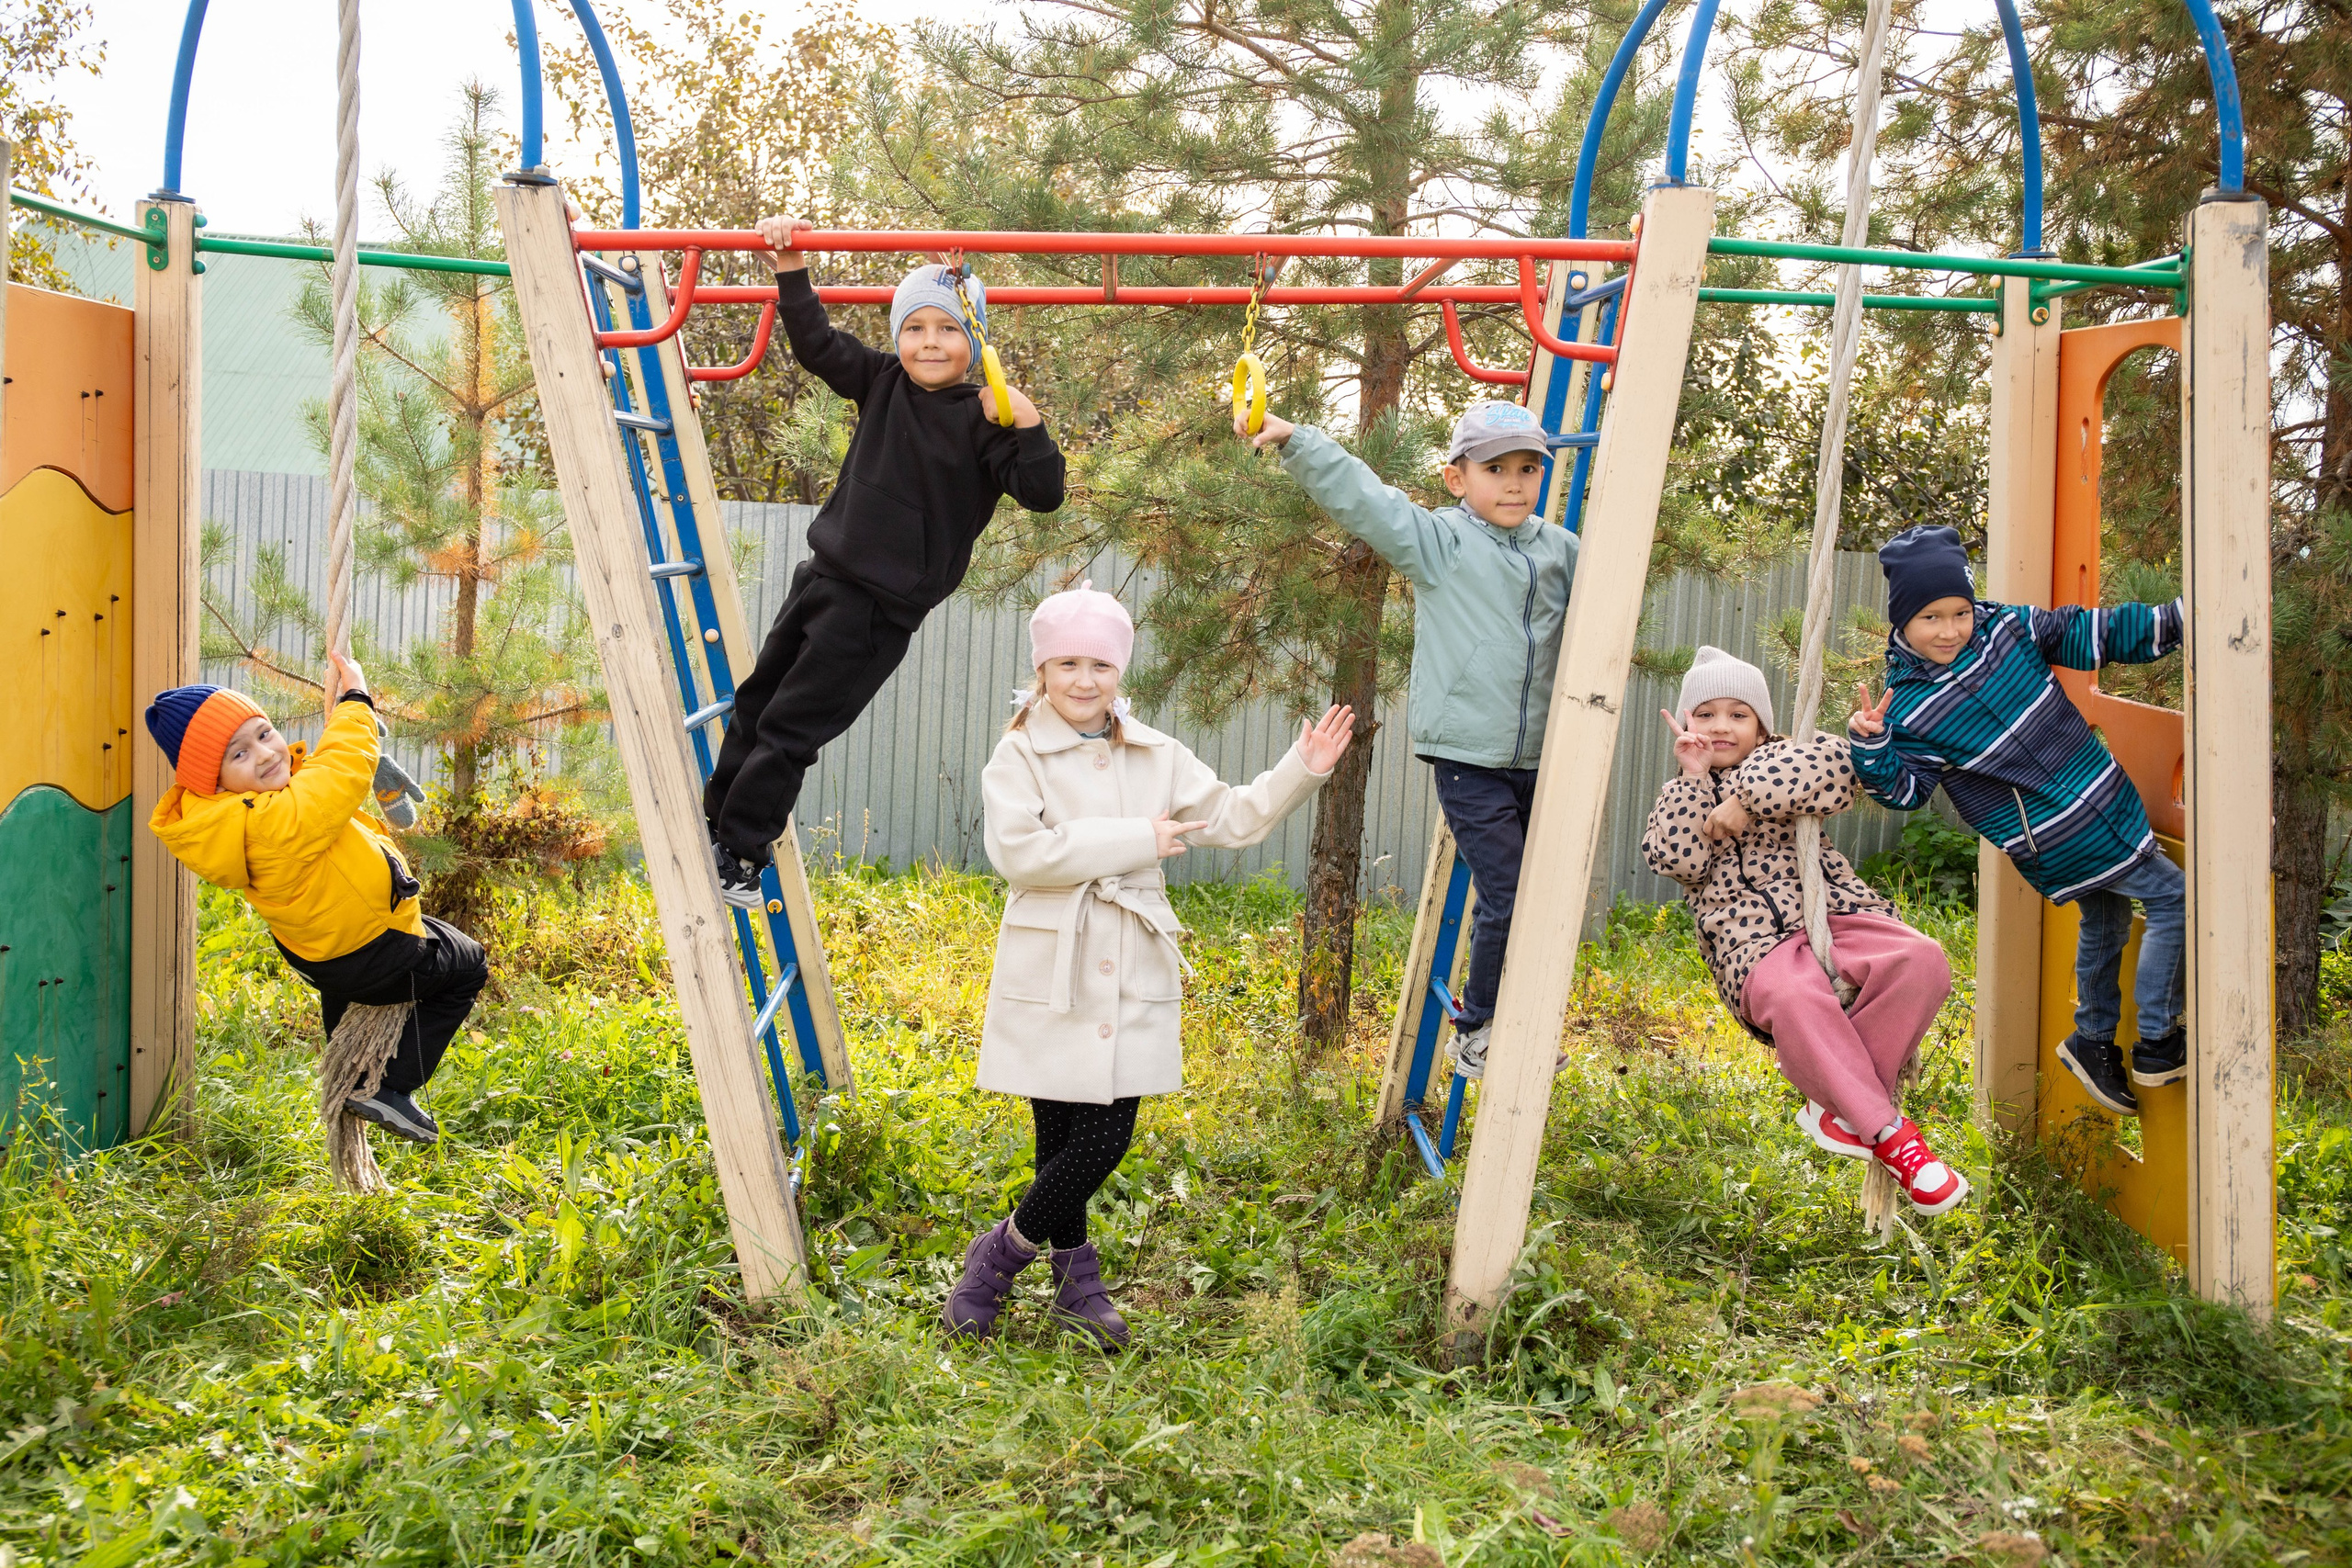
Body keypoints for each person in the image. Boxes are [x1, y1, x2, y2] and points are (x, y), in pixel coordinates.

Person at [944, 584, 1355, 1348]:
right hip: (1053, 957)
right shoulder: (1019, 753)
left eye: (1100, 663)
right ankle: (1075, 1280)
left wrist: (1302, 767)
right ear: (1042, 669)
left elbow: (1230, 818)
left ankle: (998, 1257)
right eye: (1066, 662)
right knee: (1062, 1136)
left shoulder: (1158, 753)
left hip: (1130, 961)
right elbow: (1020, 855)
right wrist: (1138, 838)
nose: (1083, 679)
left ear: (1120, 670)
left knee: (1106, 1135)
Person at [703, 217, 1069, 908]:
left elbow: (1045, 494)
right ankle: (716, 820)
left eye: (949, 329)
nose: (930, 342)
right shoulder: (880, 382)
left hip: (876, 611)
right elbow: (815, 344)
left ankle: (743, 849)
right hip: (819, 578)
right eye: (915, 329)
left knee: (791, 728)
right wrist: (789, 263)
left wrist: (1027, 421)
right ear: (898, 338)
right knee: (757, 702)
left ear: (976, 342)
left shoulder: (984, 421)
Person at [1240, 400, 1570, 1080]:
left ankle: (1524, 1016)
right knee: (1507, 890)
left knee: (1542, 897)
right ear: (1457, 479)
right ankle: (1477, 1028)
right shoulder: (1442, 543)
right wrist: (1296, 440)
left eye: (1528, 469)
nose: (1513, 484)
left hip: (1542, 753)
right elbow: (1368, 501)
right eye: (1495, 469)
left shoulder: (1560, 551)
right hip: (1467, 756)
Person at [1848, 525, 2186, 1118]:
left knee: (2105, 917)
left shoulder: (2008, 629)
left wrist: (2179, 619)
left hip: (2102, 799)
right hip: (2058, 834)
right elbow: (1906, 791)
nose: (1950, 629)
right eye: (1931, 618)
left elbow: (2091, 633)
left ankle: (2094, 1039)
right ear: (1902, 623)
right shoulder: (1911, 708)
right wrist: (1872, 745)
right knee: (2175, 899)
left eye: (1959, 611)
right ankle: (2157, 1040)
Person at [1643, 648, 1970, 1216]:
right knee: (1796, 998)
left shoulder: (1787, 760)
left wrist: (1744, 800)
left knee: (1923, 961)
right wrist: (1696, 782)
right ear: (1686, 722)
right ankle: (1891, 1135)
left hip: (1837, 911)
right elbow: (1677, 860)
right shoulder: (1680, 792)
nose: (1721, 726)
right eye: (1706, 714)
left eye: (1739, 714)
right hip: (1751, 943)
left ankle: (1838, 1105)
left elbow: (1839, 769)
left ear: (1764, 727)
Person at [145, 655, 486, 1145]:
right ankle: (390, 1085)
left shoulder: (224, 817)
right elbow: (339, 774)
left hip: (321, 949)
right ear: (213, 782)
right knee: (467, 963)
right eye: (238, 755)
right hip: (371, 950)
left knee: (360, 986)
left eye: (263, 734)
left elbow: (309, 786)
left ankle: (350, 1071)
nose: (263, 755)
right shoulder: (272, 822)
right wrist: (356, 702)